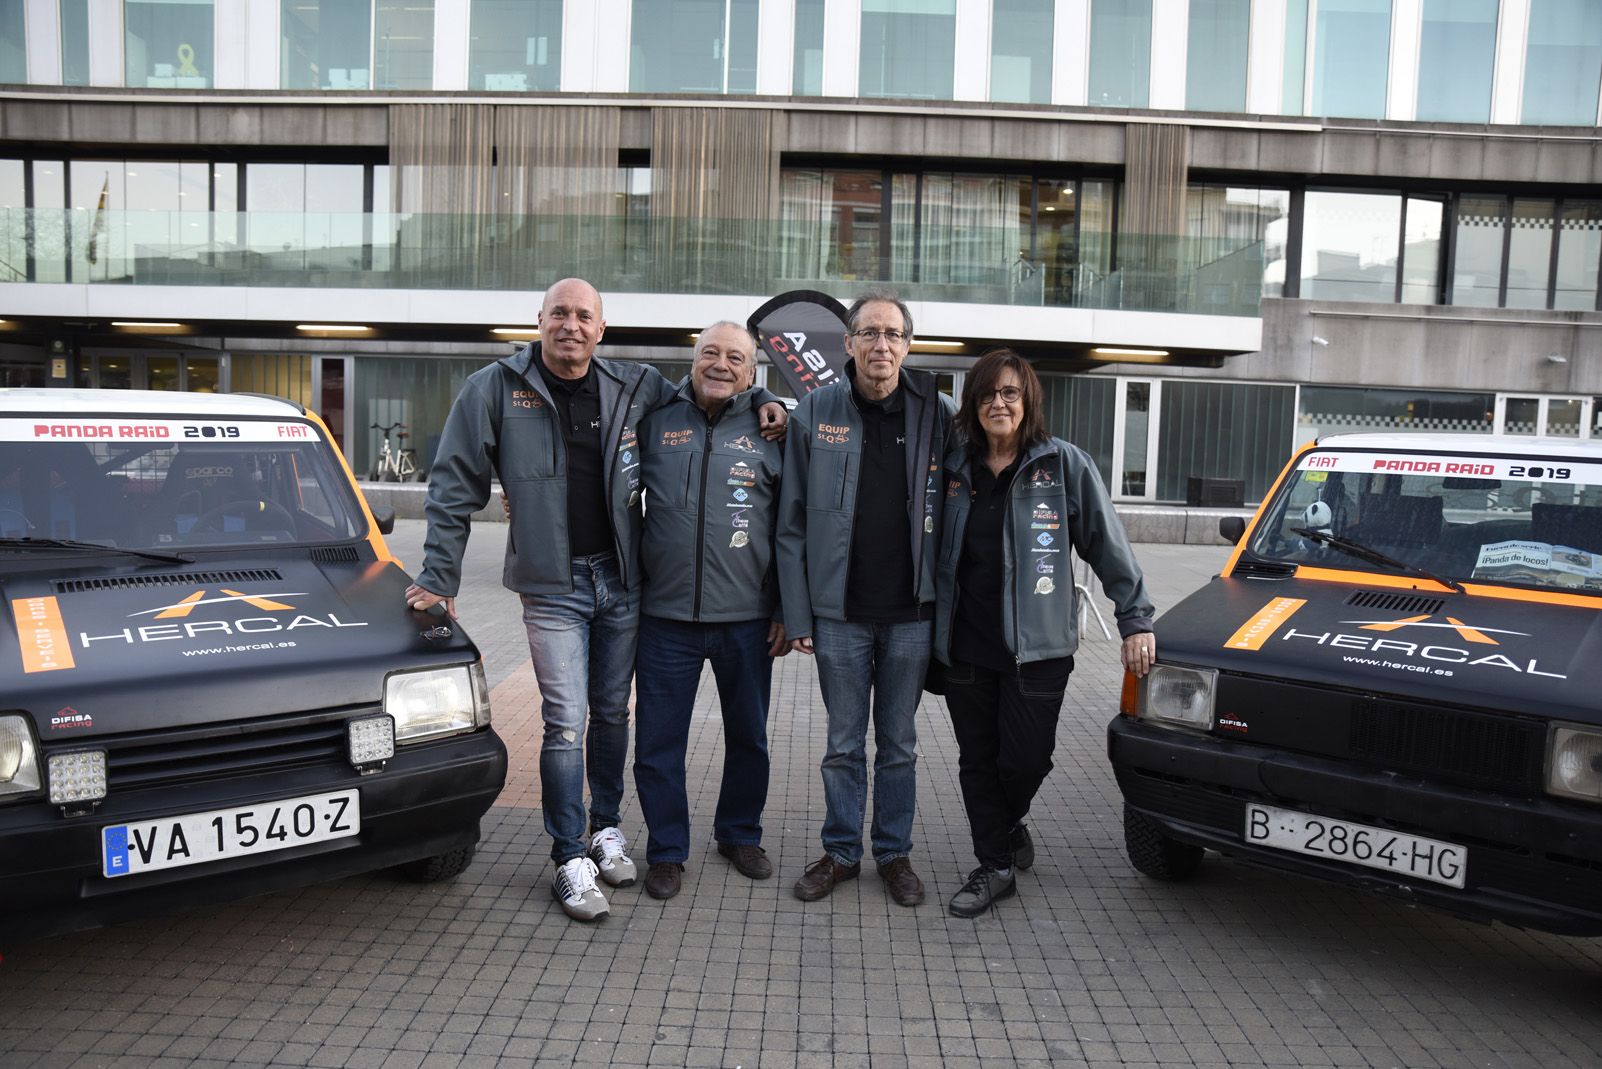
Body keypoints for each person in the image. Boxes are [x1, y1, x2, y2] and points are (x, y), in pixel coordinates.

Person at [404, 278, 786, 922]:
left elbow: (718, 392)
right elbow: (451, 487)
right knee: (564, 721)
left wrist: (770, 399)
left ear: (601, 328)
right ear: (540, 320)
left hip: (622, 581)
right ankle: (569, 851)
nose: (571, 325)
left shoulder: (634, 387)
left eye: (584, 315)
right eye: (560, 313)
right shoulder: (493, 388)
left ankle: (608, 826)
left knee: (613, 713)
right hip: (554, 587)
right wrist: (439, 575)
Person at [932, 348, 1156, 918]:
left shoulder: (1063, 466)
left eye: (1010, 393)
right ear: (972, 405)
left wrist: (1135, 619)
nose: (998, 403)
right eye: (987, 394)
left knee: (1027, 759)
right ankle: (995, 865)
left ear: (1029, 401)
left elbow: (1107, 544)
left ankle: (1006, 825)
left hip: (1039, 649)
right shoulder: (954, 466)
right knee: (978, 760)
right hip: (965, 643)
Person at [775, 289, 955, 907]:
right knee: (843, 744)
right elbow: (790, 522)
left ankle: (895, 855)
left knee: (899, 744)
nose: (883, 345)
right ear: (847, 343)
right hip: (840, 618)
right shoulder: (812, 411)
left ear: (908, 345)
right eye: (870, 333)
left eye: (895, 334)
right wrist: (797, 614)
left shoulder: (937, 413)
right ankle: (841, 852)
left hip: (912, 614)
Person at [631, 321, 788, 901]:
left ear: (752, 371)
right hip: (664, 618)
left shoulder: (775, 432)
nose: (720, 365)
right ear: (693, 361)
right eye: (709, 354)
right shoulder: (655, 418)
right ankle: (667, 849)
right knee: (656, 743)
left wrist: (785, 610)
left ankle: (739, 833)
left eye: (735, 358)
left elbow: (792, 528)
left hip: (747, 619)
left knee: (750, 737)